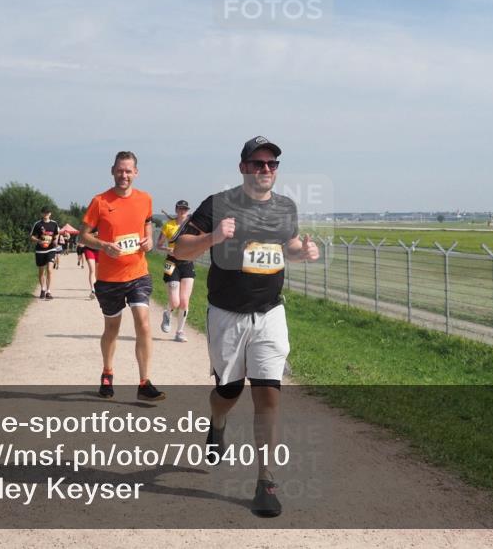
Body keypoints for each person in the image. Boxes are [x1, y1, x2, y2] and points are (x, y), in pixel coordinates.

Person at [174, 136, 319, 518]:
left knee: (268, 394)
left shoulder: (286, 207)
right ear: (242, 168)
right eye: (257, 163)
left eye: (271, 164)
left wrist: (301, 252)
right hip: (227, 315)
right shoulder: (217, 204)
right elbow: (179, 249)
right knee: (228, 392)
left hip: (270, 312)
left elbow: (286, 246)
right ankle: (217, 423)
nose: (265, 170)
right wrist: (213, 237)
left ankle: (265, 480)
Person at [78, 151, 165, 401]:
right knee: (112, 329)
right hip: (109, 278)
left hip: (138, 273)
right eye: (120, 170)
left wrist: (148, 240)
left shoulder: (145, 199)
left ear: (135, 173)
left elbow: (147, 222)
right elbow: (82, 236)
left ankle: (144, 382)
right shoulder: (100, 201)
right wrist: (104, 245)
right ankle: (107, 373)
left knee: (144, 324)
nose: (124, 175)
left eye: (128, 170)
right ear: (112, 171)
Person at [156, 200, 194, 342]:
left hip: (187, 263)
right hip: (171, 262)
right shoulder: (169, 225)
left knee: (184, 302)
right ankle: (167, 312)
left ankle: (180, 331)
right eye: (180, 208)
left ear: (188, 210)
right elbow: (158, 245)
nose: (182, 211)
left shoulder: (192, 226)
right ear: (176, 210)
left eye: (185, 209)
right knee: (175, 301)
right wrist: (168, 249)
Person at [30, 207, 59, 300]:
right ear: (41, 214)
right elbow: (31, 237)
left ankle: (48, 291)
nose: (46, 214)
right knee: (41, 271)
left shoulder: (54, 223)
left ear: (50, 214)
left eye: (47, 213)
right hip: (40, 250)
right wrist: (39, 240)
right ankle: (42, 289)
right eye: (44, 213)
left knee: (50, 270)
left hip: (51, 250)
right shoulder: (37, 224)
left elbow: (56, 234)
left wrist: (55, 241)